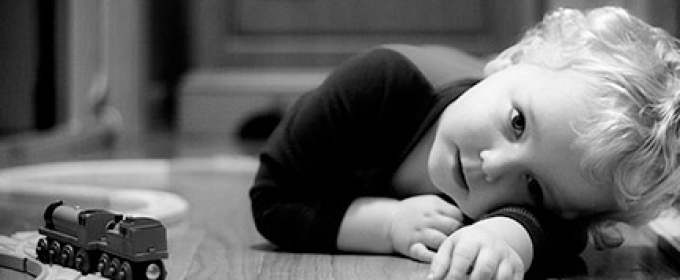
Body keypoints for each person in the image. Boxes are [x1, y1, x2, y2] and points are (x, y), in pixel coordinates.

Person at [249, 6, 680, 280]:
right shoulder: (377, 84)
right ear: (514, 60)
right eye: (517, 122)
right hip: (346, 128)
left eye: (532, 187)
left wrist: (506, 235)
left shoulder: (556, 182)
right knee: (287, 131)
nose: (493, 166)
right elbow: (274, 199)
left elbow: (562, 233)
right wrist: (388, 224)